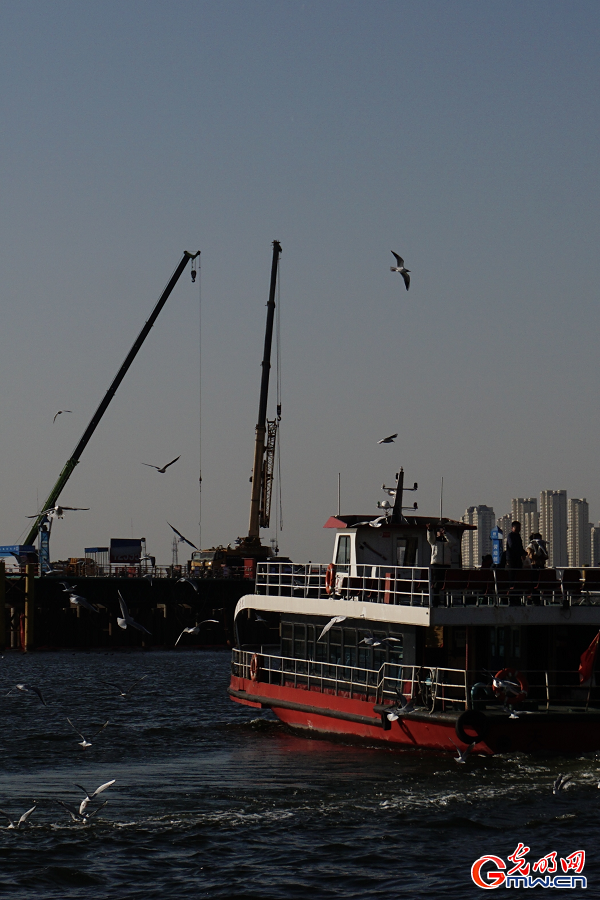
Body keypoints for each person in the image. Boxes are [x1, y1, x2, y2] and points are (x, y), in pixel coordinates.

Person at [426, 522, 457, 606]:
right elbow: (430, 538)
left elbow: (453, 541)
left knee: (446, 584)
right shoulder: (434, 542)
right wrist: (429, 530)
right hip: (436, 564)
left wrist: (446, 533)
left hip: (446, 565)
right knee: (436, 585)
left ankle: (447, 602)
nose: (440, 532)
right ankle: (436, 602)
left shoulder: (447, 543)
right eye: (439, 531)